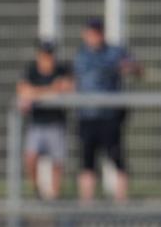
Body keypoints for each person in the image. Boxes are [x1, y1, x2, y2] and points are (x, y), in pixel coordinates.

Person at [73, 17, 141, 203]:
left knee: (117, 158)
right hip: (87, 116)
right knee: (87, 162)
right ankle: (86, 204)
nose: (94, 37)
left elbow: (136, 67)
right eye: (91, 33)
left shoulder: (115, 52)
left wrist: (129, 67)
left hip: (110, 117)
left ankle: (121, 201)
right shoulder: (80, 55)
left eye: (98, 33)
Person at [17, 40, 74, 201]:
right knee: (30, 157)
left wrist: (36, 94)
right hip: (37, 123)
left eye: (50, 54)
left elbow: (68, 88)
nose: (47, 58)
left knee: (57, 161)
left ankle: (55, 195)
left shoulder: (61, 70)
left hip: (56, 123)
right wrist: (50, 90)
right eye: (44, 54)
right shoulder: (31, 70)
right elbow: (24, 91)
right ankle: (36, 191)